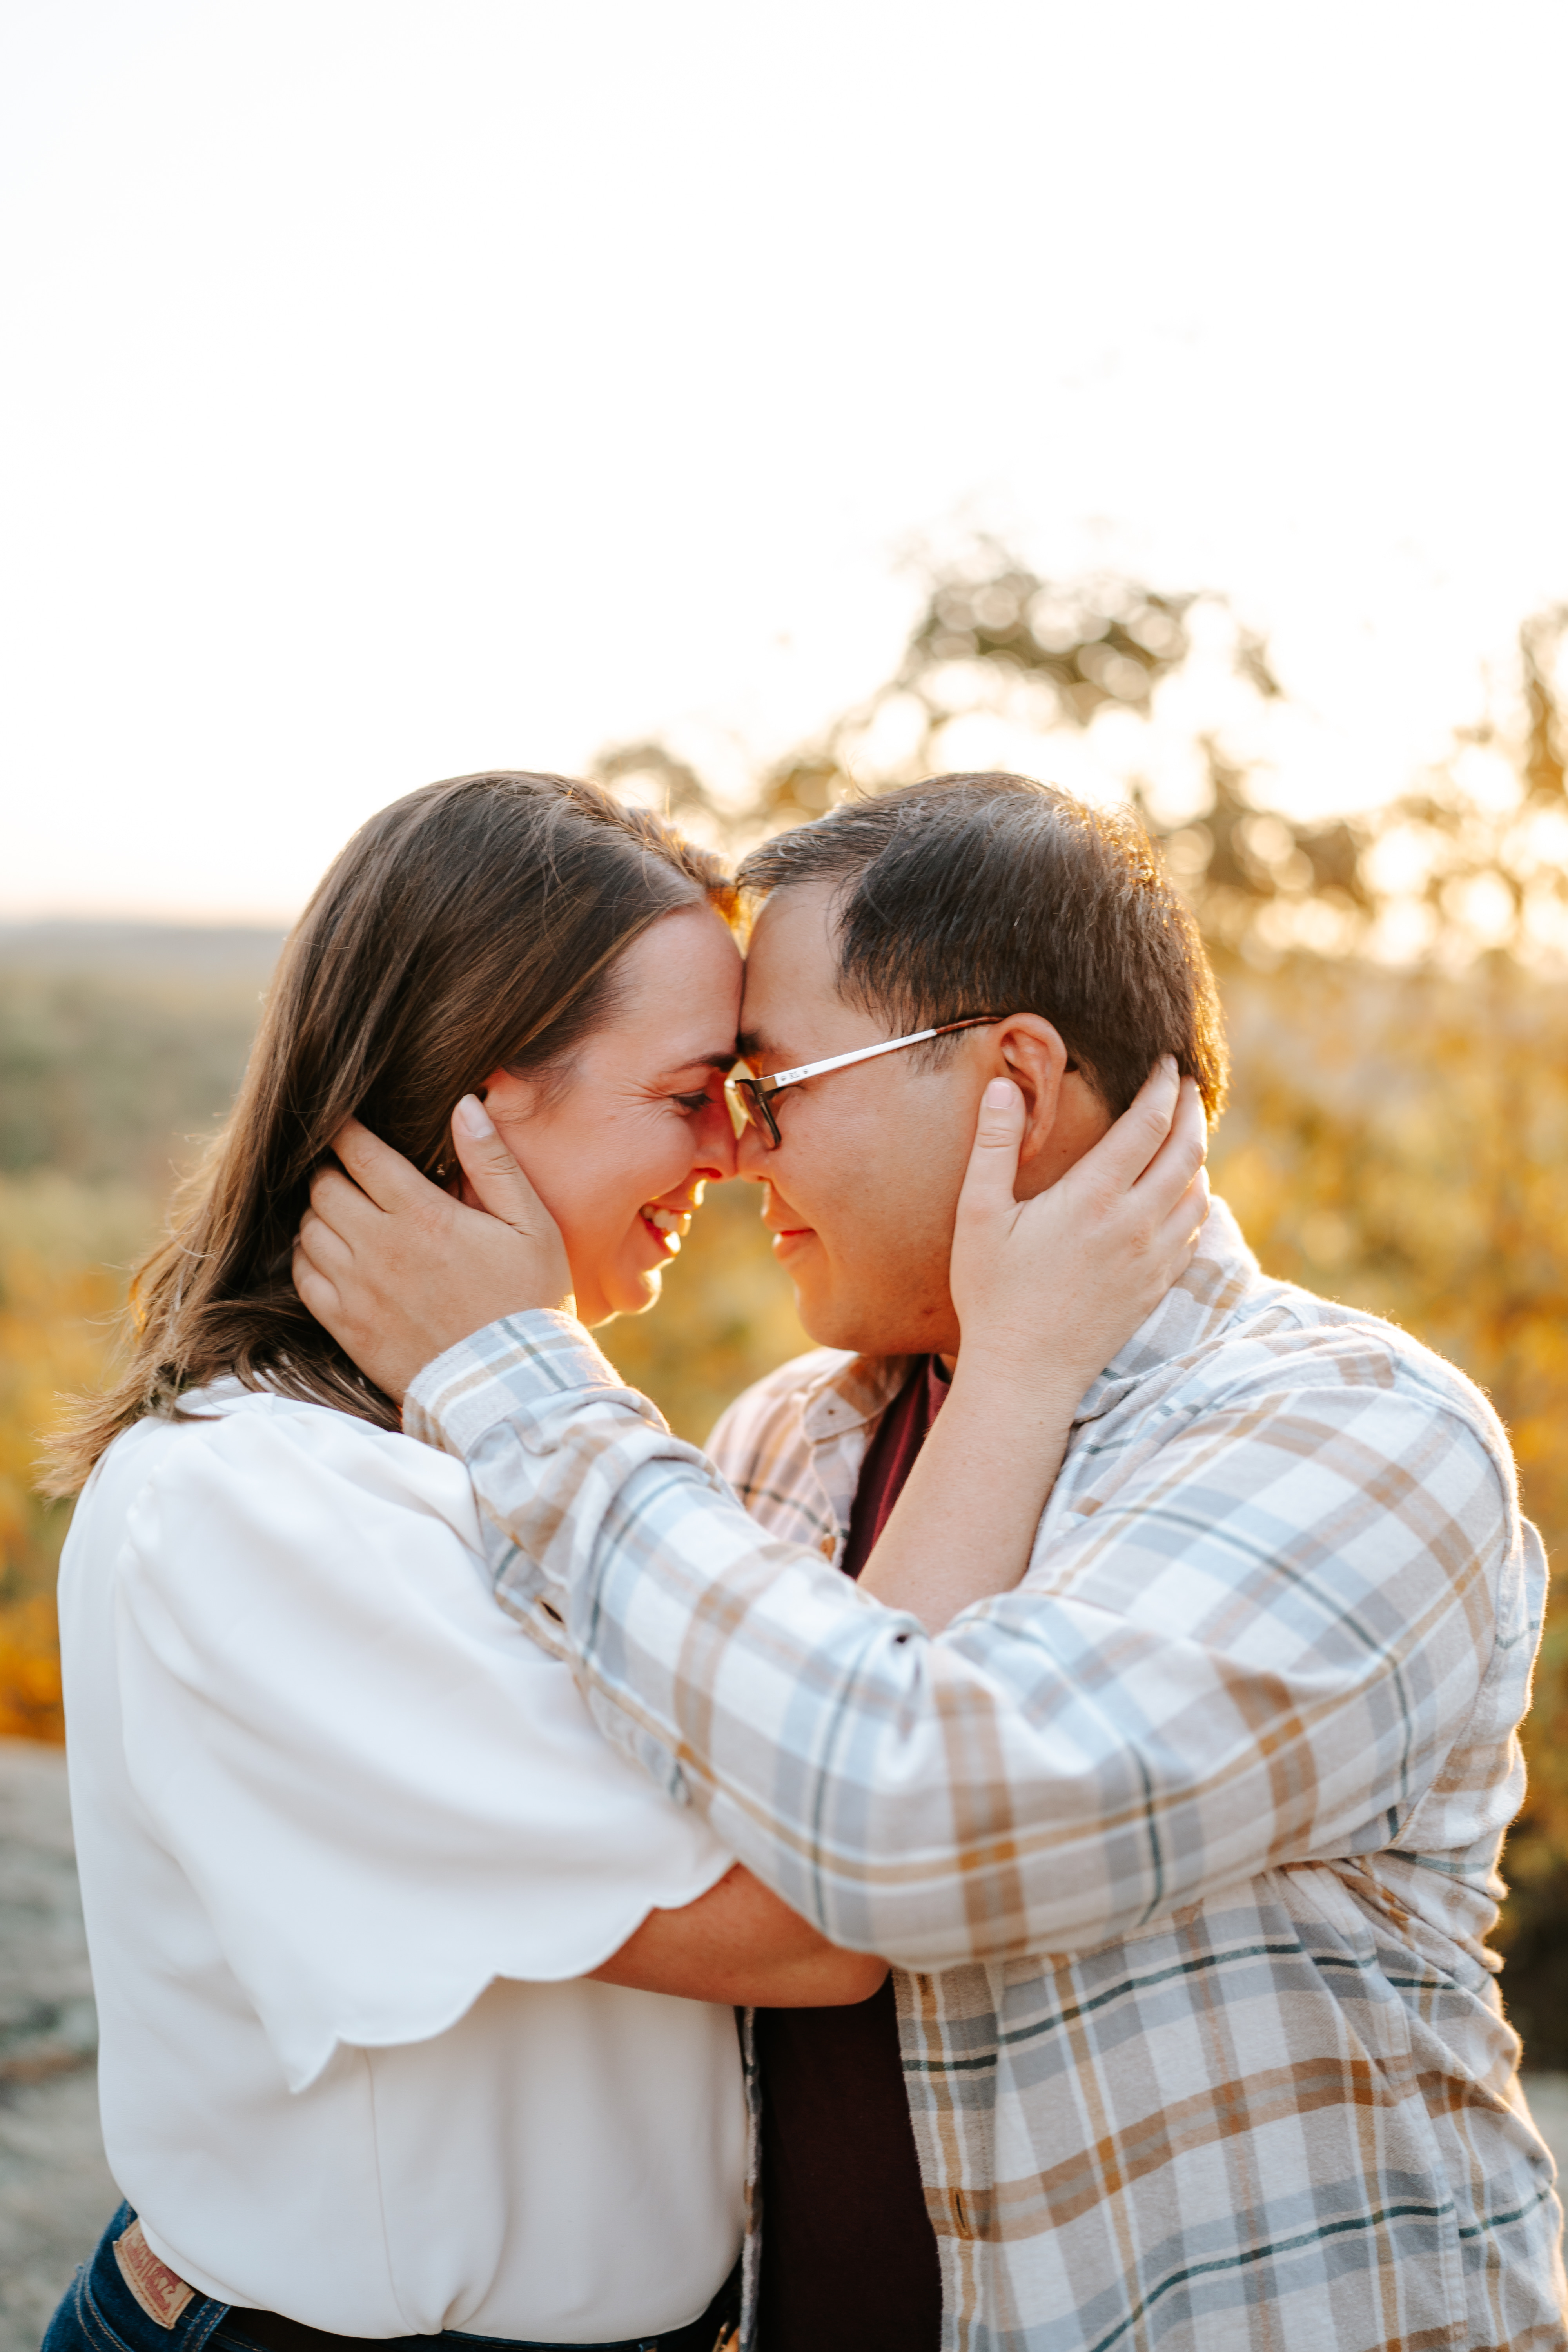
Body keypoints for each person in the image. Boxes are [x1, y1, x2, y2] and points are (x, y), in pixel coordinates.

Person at [296, 771, 1566, 2352]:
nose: (740, 1159)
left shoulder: (1349, 1439)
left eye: (777, 1088)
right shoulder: (779, 1445)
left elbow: (912, 1828)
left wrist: (511, 1373)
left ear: (1010, 1085)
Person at [45, 769, 1209, 2352]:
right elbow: (820, 1911)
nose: (732, 1159)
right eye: (688, 1094)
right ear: (482, 1096)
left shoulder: (498, 1460)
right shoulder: (255, 1509)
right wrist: (1019, 1368)